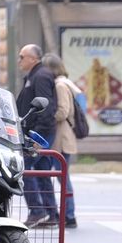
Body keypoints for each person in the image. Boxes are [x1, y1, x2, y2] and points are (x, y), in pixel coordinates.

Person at [15, 44, 58, 228]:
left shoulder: (41, 76)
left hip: (38, 133)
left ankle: (37, 210)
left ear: (33, 58)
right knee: (41, 173)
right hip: (35, 131)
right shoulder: (34, 75)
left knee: (25, 171)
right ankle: (51, 212)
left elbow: (46, 108)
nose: (19, 60)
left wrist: (37, 136)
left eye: (22, 56)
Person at [42, 53, 80, 230]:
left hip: (62, 136)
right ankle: (68, 214)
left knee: (63, 176)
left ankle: (69, 214)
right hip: (65, 136)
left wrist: (49, 117)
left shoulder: (59, 86)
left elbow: (63, 111)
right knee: (63, 176)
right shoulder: (66, 83)